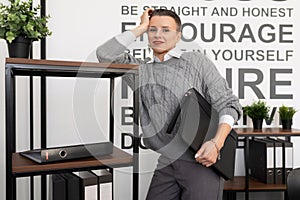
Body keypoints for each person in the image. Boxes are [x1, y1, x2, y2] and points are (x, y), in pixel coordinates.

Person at [96, 8, 242, 200]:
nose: (158, 35)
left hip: (201, 161)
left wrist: (216, 144)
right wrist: (140, 27)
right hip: (166, 162)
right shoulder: (140, 71)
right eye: (152, 29)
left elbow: (229, 104)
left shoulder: (196, 61)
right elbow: (104, 55)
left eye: (166, 30)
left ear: (178, 36)